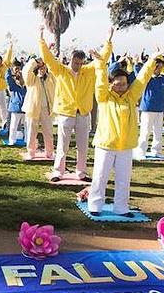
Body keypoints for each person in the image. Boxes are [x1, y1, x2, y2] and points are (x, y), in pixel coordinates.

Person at [86, 46, 158, 215]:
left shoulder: (131, 96)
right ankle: (95, 206)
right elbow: (100, 80)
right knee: (100, 177)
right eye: (117, 84)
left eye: (124, 84)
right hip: (106, 144)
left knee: (123, 180)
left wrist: (152, 60)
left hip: (126, 146)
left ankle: (121, 208)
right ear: (111, 84)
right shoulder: (104, 96)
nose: (121, 87)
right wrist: (99, 63)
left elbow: (142, 78)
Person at [39, 25, 112, 181]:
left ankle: (81, 172)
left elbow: (102, 58)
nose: (77, 65)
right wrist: (41, 39)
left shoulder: (88, 70)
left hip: (83, 113)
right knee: (62, 146)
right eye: (75, 62)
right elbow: (48, 59)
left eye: (80, 63)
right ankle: (58, 172)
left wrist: (109, 40)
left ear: (83, 62)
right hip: (66, 113)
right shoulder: (61, 70)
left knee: (83, 146)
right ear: (70, 59)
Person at [22, 57, 55, 158]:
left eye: (44, 68)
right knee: (31, 132)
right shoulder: (31, 79)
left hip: (47, 109)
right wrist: (35, 62)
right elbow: (26, 71)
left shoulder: (50, 78)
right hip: (33, 109)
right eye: (40, 68)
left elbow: (56, 71)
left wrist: (48, 61)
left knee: (48, 132)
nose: (42, 70)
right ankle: (31, 152)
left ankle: (49, 152)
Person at [5, 61, 28, 145]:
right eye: (16, 69)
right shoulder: (14, 85)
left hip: (26, 108)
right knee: (13, 126)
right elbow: (8, 79)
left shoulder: (27, 85)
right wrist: (8, 70)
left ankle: (27, 140)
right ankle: (12, 141)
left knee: (27, 126)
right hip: (16, 108)